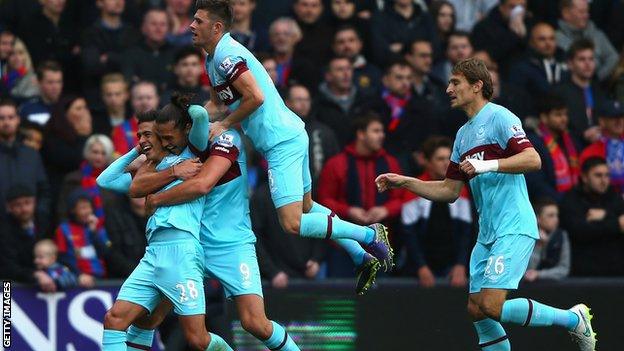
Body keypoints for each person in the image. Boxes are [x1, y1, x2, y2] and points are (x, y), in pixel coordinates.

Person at [376, 58, 596, 351]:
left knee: (491, 306)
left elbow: (533, 160)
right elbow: (449, 190)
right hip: (487, 234)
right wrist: (405, 182)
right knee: (476, 310)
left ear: (477, 85)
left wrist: (488, 165)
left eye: (455, 82)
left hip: (513, 226)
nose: (448, 89)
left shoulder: (500, 117)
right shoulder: (463, 135)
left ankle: (573, 319)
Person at [196, 0, 392, 293]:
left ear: (217, 27)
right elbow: (215, 104)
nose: (191, 26)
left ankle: (368, 233)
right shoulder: (212, 59)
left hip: (279, 142)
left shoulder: (227, 54)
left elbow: (256, 97)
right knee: (307, 207)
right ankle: (360, 255)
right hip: (290, 133)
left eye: (198, 21)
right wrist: (191, 121)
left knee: (292, 222)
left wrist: (224, 125)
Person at [138, 99, 302, 350]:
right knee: (150, 318)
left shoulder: (227, 139)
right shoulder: (179, 155)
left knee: (254, 322)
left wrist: (156, 199)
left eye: (169, 136)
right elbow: (126, 183)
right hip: (192, 245)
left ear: (187, 128)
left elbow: (202, 184)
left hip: (232, 245)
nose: (166, 143)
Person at [98, 106, 232, 351]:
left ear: (164, 134)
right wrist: (140, 150)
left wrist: (181, 105)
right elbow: (105, 180)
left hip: (183, 252)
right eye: (139, 136)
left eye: (147, 135)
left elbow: (200, 116)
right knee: (115, 319)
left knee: (198, 340)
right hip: (153, 253)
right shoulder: (152, 171)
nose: (142, 140)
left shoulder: (191, 154)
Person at [317, 113, 403, 283]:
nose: (382, 135)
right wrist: (348, 210)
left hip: (381, 246)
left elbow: (402, 200)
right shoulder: (337, 164)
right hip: (343, 247)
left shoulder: (391, 163)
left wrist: (385, 210)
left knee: (378, 301)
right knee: (341, 299)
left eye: (382, 131)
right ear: (361, 134)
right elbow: (323, 200)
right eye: (376, 131)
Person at [400, 136, 472, 287]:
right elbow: (409, 234)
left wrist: (460, 265)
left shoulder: (461, 189)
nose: (446, 163)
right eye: (440, 159)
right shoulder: (413, 189)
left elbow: (466, 232)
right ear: (426, 161)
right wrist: (421, 267)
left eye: (449, 158)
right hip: (418, 269)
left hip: (451, 267)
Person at [560, 156, 624, 277]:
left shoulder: (614, 197)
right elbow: (579, 231)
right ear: (584, 177)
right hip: (582, 274)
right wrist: (616, 224)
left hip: (616, 272)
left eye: (607, 175)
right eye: (598, 175)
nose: (604, 180)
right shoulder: (571, 200)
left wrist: (605, 215)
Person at [0, 98, 50, 229]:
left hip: (30, 226)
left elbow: (44, 190)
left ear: (18, 120)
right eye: (2, 118)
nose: (6, 122)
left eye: (11, 117)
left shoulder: (31, 154)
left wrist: (40, 215)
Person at [80, 0, 141, 104]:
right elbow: (92, 66)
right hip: (98, 94)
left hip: (130, 96)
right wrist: (123, 60)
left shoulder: (133, 33)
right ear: (99, 3)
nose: (118, 2)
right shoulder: (90, 33)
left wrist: (109, 57)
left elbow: (137, 62)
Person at [525, 94, 581, 201]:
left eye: (565, 114)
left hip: (573, 201)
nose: (564, 119)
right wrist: (562, 201)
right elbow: (536, 182)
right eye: (558, 115)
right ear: (544, 118)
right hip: (549, 203)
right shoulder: (533, 143)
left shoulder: (571, 140)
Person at [553, 39, 609, 145]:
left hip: (601, 146)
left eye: (591, 59)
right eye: (582, 59)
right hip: (572, 147)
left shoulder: (601, 90)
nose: (588, 64)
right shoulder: (560, 93)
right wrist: (582, 135)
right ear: (570, 64)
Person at [41, 95, 93, 210]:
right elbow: (73, 161)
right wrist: (83, 136)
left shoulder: (86, 133)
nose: (84, 113)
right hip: (60, 191)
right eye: (78, 109)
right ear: (65, 114)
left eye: (85, 108)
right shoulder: (53, 137)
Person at [285, 84, 340, 191]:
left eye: (307, 100)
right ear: (287, 103)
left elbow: (334, 165)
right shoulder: (280, 130)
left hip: (319, 192)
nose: (303, 103)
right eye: (299, 99)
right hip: (288, 190)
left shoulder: (323, 132)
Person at [0, 185, 53, 292]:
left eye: (27, 202)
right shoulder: (3, 230)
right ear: (9, 207)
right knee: (6, 302)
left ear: (34, 202)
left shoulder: (44, 222)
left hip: (44, 281)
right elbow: (8, 267)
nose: (24, 209)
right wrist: (35, 274)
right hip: (11, 282)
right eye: (17, 205)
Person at [54, 190, 111, 288]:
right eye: (82, 208)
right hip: (77, 279)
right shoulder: (63, 229)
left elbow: (106, 253)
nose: (87, 211)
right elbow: (62, 257)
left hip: (101, 280)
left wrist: (94, 232)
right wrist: (79, 274)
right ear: (72, 210)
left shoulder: (98, 227)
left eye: (89, 207)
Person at [57, 134, 118, 223]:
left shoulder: (113, 180)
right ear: (87, 153)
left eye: (103, 153)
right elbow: (63, 211)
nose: (99, 157)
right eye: (95, 152)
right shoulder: (72, 180)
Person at [314, 56, 373, 147]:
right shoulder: (318, 104)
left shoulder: (365, 100)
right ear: (328, 76)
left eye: (348, 69)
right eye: (340, 70)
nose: (346, 74)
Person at [556, 0, 618, 81]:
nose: (586, 16)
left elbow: (613, 57)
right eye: (581, 12)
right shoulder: (556, 38)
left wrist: (597, 78)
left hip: (599, 87)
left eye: (587, 12)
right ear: (566, 13)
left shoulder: (597, 34)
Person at [509, 22, 569, 100]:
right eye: (542, 39)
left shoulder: (567, 64)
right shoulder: (521, 69)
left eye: (551, 39)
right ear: (531, 42)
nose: (548, 43)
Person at [471, 0, 531, 76]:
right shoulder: (484, 27)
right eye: (512, 7)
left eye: (522, 6)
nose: (518, 11)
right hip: (498, 76)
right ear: (501, 7)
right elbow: (485, 56)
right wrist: (514, 34)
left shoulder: (530, 23)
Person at [121, 9, 176, 91]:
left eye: (163, 24)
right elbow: (129, 81)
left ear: (169, 28)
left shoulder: (177, 53)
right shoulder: (131, 53)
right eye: (153, 24)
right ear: (143, 28)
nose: (158, 28)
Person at [370, 0, 436, 67]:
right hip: (392, 70)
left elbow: (436, 48)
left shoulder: (425, 17)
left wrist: (402, 48)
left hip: (424, 70)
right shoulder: (380, 18)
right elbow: (380, 53)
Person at [579, 100, 624, 194]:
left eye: (621, 116)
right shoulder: (590, 152)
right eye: (613, 117)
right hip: (606, 201)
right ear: (602, 121)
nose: (619, 121)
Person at [524, 198, 571, 282]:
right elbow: (527, 271)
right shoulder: (528, 236)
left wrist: (539, 274)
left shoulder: (561, 235)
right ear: (538, 218)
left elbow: (564, 269)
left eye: (557, 215)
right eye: (551, 215)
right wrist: (538, 246)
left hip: (553, 287)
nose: (556, 219)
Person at [267, 17, 318, 92]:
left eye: (286, 34)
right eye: (276, 34)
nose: (281, 38)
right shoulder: (262, 62)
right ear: (270, 39)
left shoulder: (306, 66)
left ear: (296, 37)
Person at [332, 25, 381, 98]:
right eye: (341, 42)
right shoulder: (327, 73)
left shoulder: (374, 72)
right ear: (334, 47)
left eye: (351, 40)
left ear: (360, 44)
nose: (347, 46)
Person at [19, 60, 63, 126]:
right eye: (50, 82)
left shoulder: (68, 108)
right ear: (39, 83)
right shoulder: (27, 109)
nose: (55, 87)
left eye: (58, 82)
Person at [1, 38, 39, 102]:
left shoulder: (33, 78)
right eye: (12, 54)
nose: (17, 58)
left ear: (26, 55)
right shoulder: (3, 76)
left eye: (21, 53)